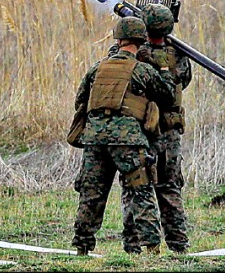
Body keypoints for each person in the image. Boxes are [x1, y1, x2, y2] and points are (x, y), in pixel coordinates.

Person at [67, 16, 177, 256]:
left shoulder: (97, 67)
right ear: (141, 40)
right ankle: (151, 247)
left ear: (118, 38)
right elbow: (168, 96)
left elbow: (80, 100)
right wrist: (165, 68)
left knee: (91, 194)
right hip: (127, 139)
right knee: (141, 190)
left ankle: (82, 247)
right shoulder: (142, 69)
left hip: (94, 138)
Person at [137, 2, 193, 254]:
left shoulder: (137, 52)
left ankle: (149, 246)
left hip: (144, 129)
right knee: (170, 188)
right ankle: (179, 245)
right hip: (170, 132)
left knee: (142, 186)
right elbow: (185, 81)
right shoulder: (179, 55)